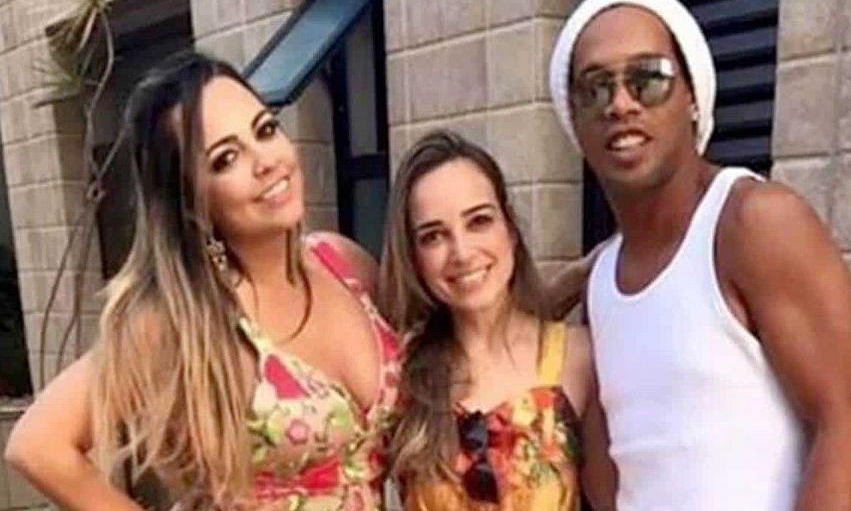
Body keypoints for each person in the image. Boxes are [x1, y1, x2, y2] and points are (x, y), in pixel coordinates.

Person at [4, 51, 402, 509]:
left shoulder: (345, 263)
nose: (265, 161)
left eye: (265, 130)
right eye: (225, 159)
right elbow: (37, 446)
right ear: (190, 200)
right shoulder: (185, 319)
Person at [547, 0, 851, 510]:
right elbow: (615, 476)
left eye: (648, 78)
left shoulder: (753, 224)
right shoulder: (601, 282)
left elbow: (848, 428)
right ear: (575, 121)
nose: (621, 103)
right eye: (596, 87)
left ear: (692, 98)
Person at [380, 130, 617, 510]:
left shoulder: (578, 358)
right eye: (434, 236)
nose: (461, 252)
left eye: (478, 221)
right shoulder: (399, 372)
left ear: (510, 228)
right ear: (413, 257)